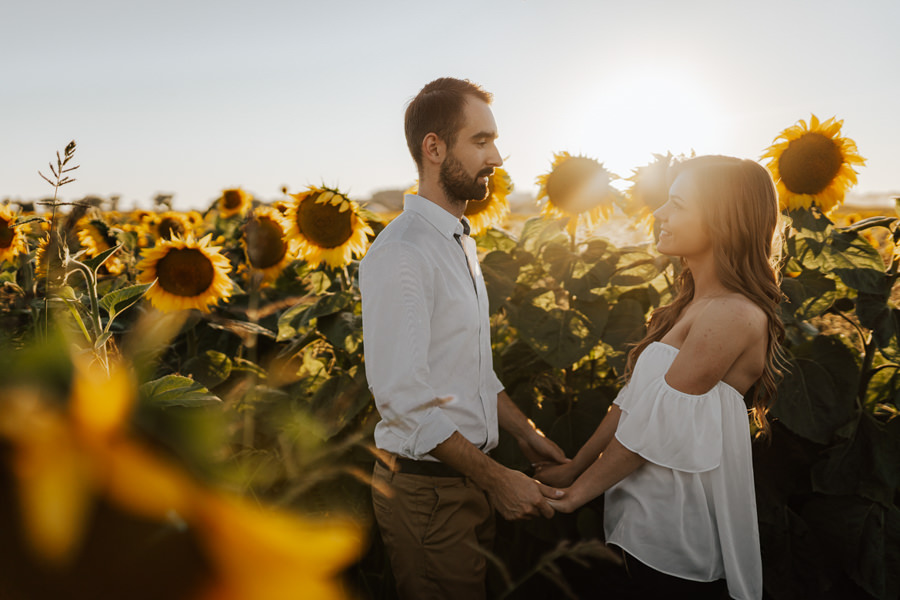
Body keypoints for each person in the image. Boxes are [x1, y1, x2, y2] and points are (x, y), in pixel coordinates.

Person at [536, 155, 784, 600]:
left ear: (722, 220)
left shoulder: (731, 313)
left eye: (677, 204)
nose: (659, 214)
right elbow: (634, 402)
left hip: (678, 539)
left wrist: (577, 495)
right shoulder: (695, 305)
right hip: (641, 522)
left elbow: (659, 422)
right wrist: (575, 468)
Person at [359, 77, 569, 600]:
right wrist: (500, 479)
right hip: (429, 493)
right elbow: (404, 400)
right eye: (480, 141)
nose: (496, 156)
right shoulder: (404, 252)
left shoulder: (455, 241)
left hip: (461, 482)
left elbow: (470, 370)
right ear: (434, 148)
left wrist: (525, 433)